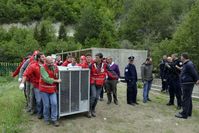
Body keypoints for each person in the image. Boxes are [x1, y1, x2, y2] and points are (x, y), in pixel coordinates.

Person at [20, 52, 45, 119]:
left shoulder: (46, 64)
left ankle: (45, 113)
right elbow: (25, 74)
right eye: (43, 57)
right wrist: (22, 83)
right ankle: (39, 113)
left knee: (46, 101)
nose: (44, 58)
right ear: (39, 58)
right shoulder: (33, 66)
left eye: (44, 57)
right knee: (39, 101)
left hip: (46, 86)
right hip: (37, 86)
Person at [175, 53, 199, 119]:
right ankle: (188, 112)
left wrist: (197, 79)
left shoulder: (189, 64)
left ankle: (184, 114)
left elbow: (194, 72)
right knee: (188, 98)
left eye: (181, 57)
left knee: (185, 99)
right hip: (186, 83)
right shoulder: (186, 64)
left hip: (187, 84)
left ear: (184, 57)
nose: (180, 58)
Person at [39, 56, 61, 126]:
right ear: (46, 62)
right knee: (47, 105)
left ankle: (54, 119)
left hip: (52, 89)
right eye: (50, 62)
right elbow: (46, 79)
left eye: (52, 62)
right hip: (44, 89)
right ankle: (46, 119)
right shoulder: (42, 68)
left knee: (54, 103)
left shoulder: (55, 67)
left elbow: (58, 74)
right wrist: (56, 80)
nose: (52, 63)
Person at [88, 53, 110, 118]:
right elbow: (87, 72)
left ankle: (93, 109)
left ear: (100, 58)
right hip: (93, 83)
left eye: (97, 57)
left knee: (97, 98)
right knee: (93, 96)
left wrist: (116, 77)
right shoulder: (92, 64)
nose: (95, 59)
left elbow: (110, 71)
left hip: (100, 84)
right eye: (95, 57)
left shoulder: (105, 65)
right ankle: (89, 110)